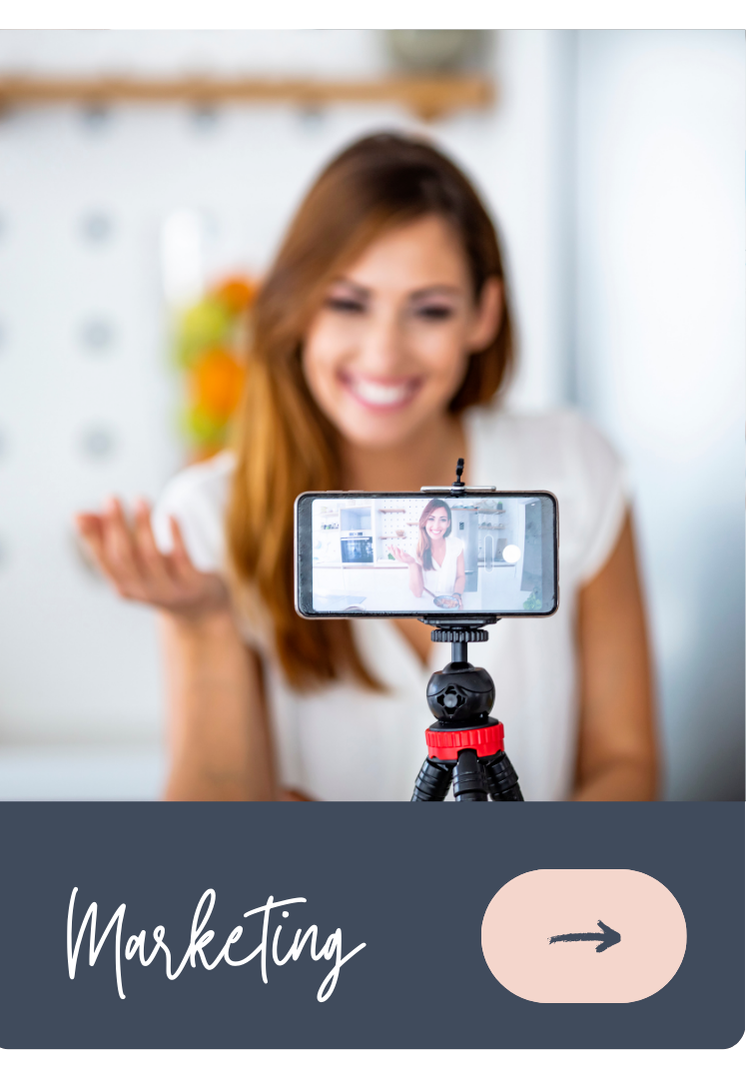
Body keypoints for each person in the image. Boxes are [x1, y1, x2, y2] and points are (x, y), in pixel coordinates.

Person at [74, 132, 658, 802]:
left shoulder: (572, 468)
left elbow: (626, 764)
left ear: (483, 314)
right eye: (348, 302)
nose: (384, 352)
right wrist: (204, 623)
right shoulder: (207, 516)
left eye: (429, 309)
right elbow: (210, 848)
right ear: (297, 307)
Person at [389, 498, 465, 608]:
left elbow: (460, 576)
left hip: (451, 605)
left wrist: (456, 595)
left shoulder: (456, 544)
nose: (436, 525)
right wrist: (412, 563)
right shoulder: (415, 549)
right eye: (431, 519)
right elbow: (417, 593)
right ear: (424, 521)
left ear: (448, 523)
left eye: (442, 520)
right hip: (425, 606)